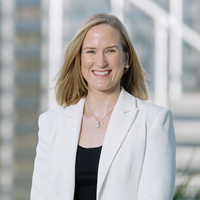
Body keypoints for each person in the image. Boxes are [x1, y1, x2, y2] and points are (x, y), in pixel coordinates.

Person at [30, 12, 176, 200]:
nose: (100, 62)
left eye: (110, 51)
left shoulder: (154, 122)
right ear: (80, 58)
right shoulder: (50, 124)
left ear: (126, 58)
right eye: (91, 51)